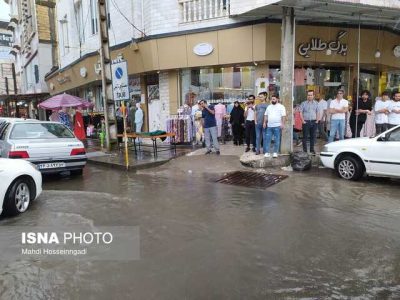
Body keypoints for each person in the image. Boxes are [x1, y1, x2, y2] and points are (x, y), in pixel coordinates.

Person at [300, 90, 320, 155]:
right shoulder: (303, 103)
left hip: (314, 122)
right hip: (306, 122)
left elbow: (318, 112)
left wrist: (317, 120)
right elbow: (300, 113)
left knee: (313, 137)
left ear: (313, 96)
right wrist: (303, 121)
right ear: (307, 96)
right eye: (308, 95)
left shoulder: (316, 103)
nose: (309, 96)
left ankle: (312, 150)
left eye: (311, 95)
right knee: (305, 137)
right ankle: (305, 151)